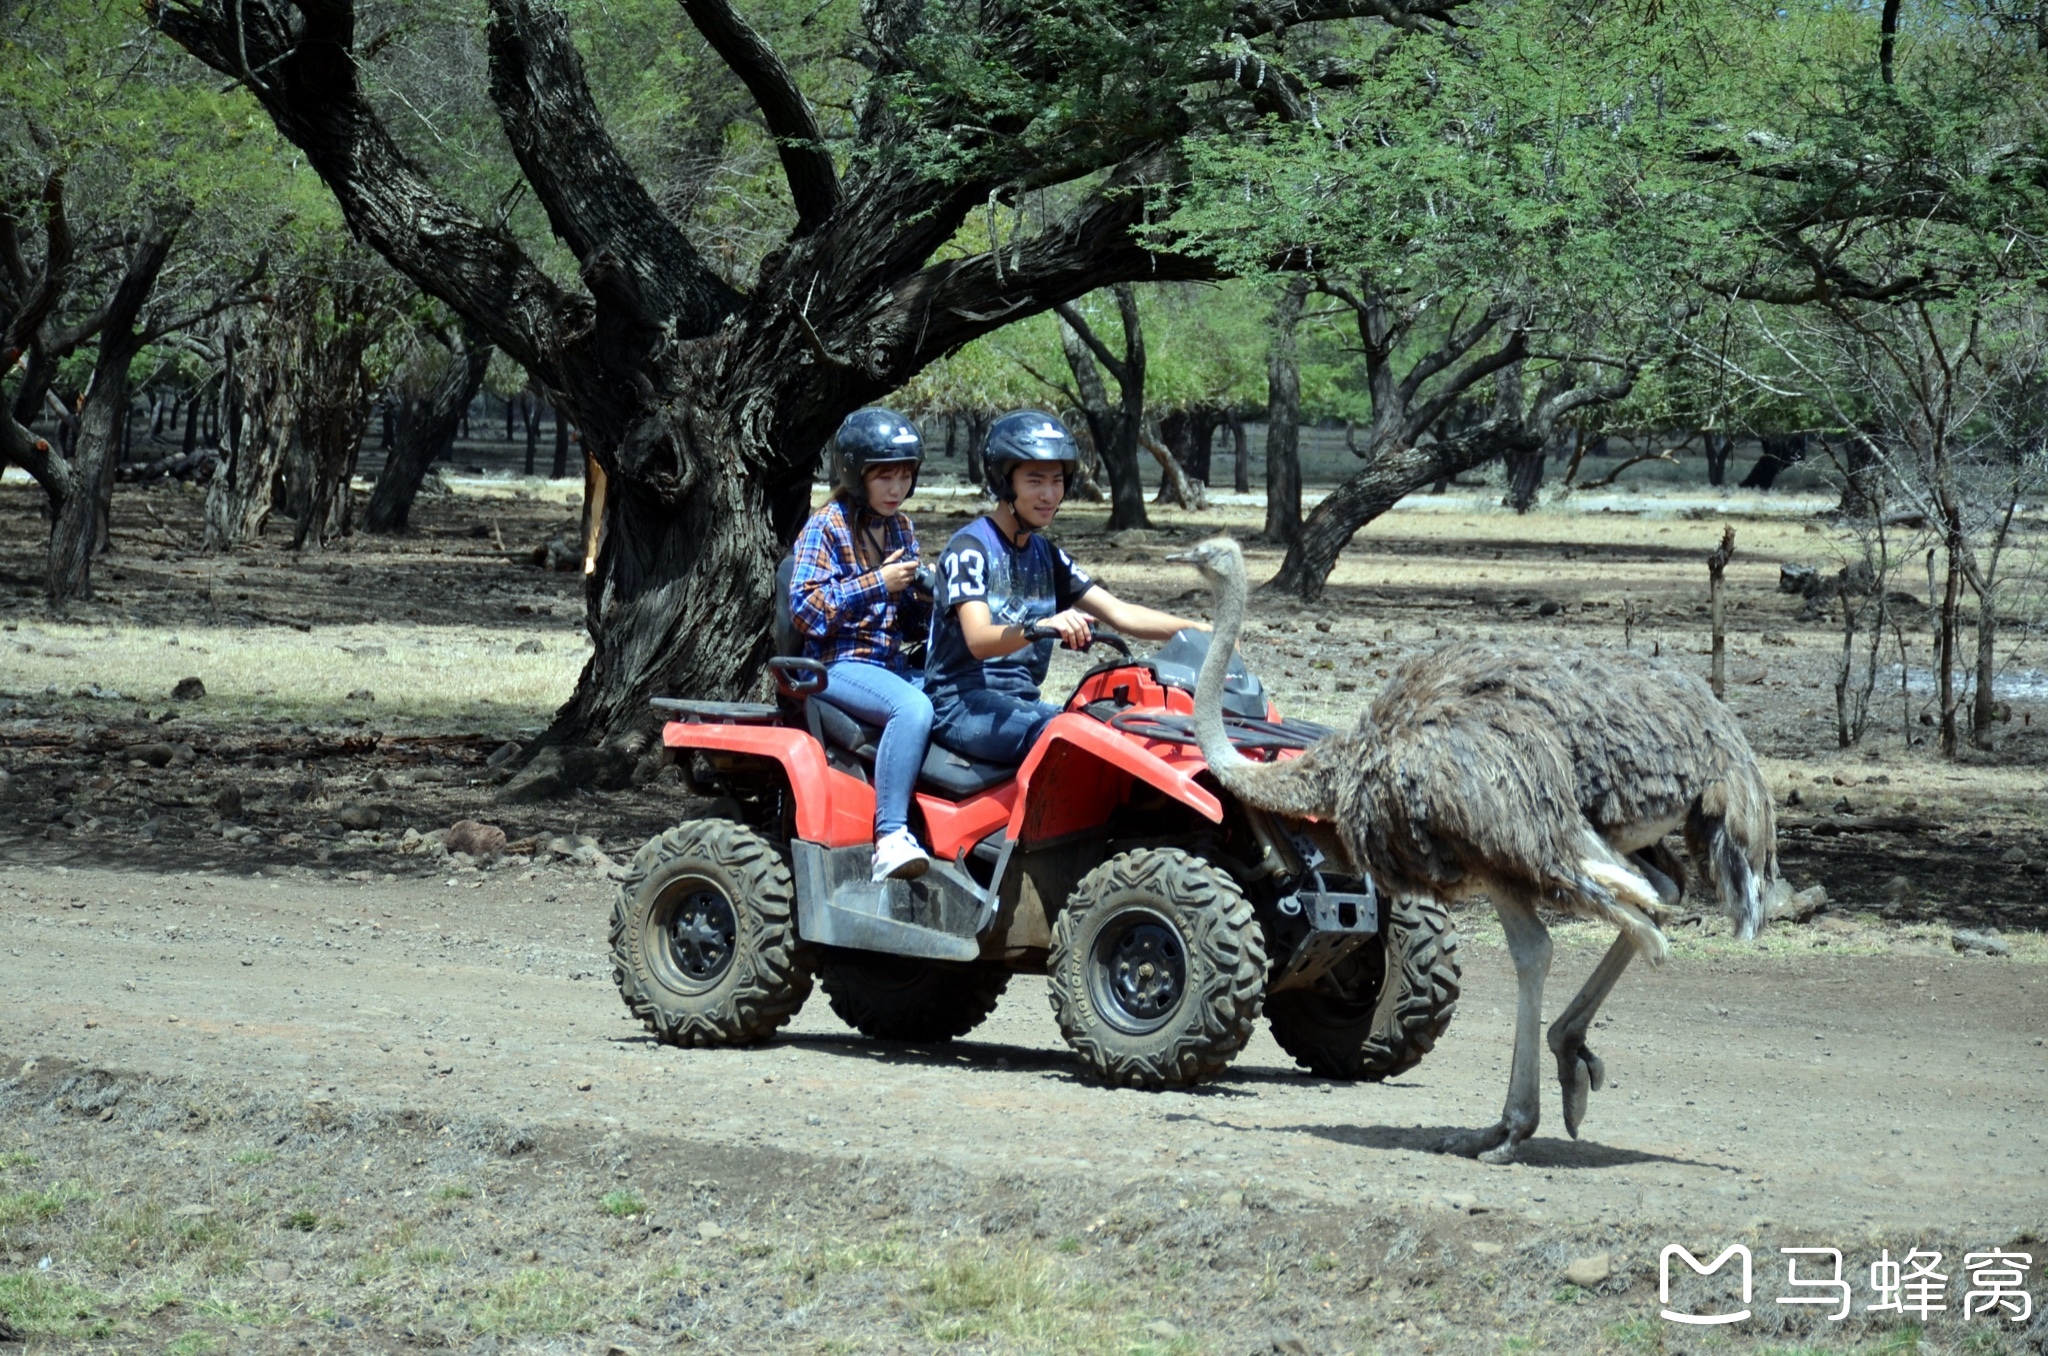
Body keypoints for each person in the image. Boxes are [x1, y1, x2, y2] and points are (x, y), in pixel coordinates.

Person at [925, 410, 1208, 764]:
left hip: (1022, 703)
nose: (1048, 494)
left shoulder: (1046, 555)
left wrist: (1200, 631)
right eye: (1035, 481)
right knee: (1073, 739)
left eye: (1057, 481)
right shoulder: (970, 549)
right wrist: (1042, 627)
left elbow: (1121, 614)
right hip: (960, 704)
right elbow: (979, 640)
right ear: (1003, 481)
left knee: (1117, 728)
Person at [789, 408, 934, 882]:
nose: (896, 489)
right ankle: (889, 837)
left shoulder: (901, 529)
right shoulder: (826, 526)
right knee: (911, 709)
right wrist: (876, 583)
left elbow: (906, 620)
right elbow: (806, 610)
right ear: (857, 475)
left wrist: (925, 597)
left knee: (954, 697)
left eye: (905, 476)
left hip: (888, 661)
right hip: (836, 663)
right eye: (885, 477)